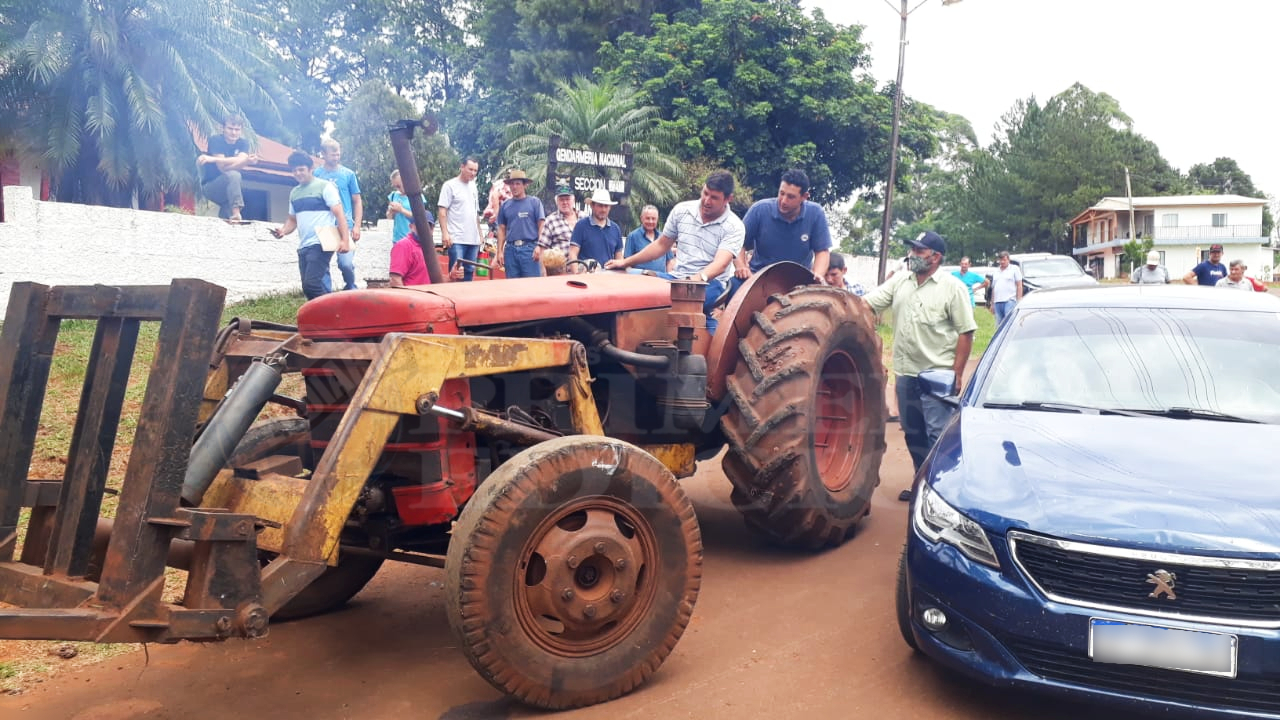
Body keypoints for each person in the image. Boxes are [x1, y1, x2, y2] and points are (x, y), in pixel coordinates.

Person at [863, 231, 976, 500]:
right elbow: (867, 303)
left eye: (919, 251)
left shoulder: (953, 288)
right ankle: (921, 483)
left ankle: (943, 493)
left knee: (938, 435)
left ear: (935, 257)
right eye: (912, 250)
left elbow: (966, 332)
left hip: (937, 376)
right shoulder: (901, 281)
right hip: (906, 374)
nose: (912, 255)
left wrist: (956, 374)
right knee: (913, 433)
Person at [606, 170, 744, 334]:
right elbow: (661, 245)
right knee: (630, 279)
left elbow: (720, 264)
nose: (706, 200)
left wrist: (696, 279)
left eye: (714, 197)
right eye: (705, 193)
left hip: (711, 284)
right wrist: (625, 262)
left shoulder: (734, 226)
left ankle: (712, 342)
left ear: (728, 199)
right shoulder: (682, 210)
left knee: (685, 299)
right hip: (676, 278)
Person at [270, 151, 350, 301]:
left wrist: (345, 240)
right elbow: (292, 220)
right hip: (304, 245)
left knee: (311, 285)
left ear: (310, 168)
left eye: (301, 169)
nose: (298, 173)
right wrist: (282, 231)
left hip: (322, 241)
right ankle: (321, 320)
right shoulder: (294, 193)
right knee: (309, 288)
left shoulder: (325, 187)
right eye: (294, 170)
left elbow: (339, 214)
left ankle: (333, 314)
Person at [734, 169, 831, 289]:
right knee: (732, 288)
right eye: (781, 193)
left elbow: (822, 251)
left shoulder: (816, 213)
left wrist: (818, 275)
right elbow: (737, 243)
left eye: (791, 197)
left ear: (804, 197)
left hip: (799, 284)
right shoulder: (759, 209)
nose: (784, 201)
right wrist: (741, 267)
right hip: (757, 279)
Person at [313, 139, 362, 291]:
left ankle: (350, 286)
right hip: (324, 225)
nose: (336, 157)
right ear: (323, 154)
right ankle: (326, 295)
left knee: (345, 263)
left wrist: (357, 225)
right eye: (332, 155)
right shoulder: (316, 174)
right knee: (322, 265)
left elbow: (357, 201)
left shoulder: (348, 174)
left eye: (338, 154)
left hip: (344, 224)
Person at [196, 114, 258, 222]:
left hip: (229, 191)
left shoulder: (243, 143)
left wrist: (213, 159)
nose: (233, 133)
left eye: (237, 130)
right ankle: (237, 212)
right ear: (223, 128)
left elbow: (239, 162)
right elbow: (223, 169)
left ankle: (232, 218)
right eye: (230, 128)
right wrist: (244, 161)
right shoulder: (216, 140)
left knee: (228, 222)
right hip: (211, 186)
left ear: (241, 130)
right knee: (234, 175)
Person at [438, 158, 483, 281]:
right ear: (462, 167)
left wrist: (480, 235)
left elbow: (476, 213)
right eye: (470, 169)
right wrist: (445, 233)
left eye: (475, 170)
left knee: (469, 272)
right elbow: (442, 211)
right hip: (457, 238)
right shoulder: (449, 185)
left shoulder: (474, 187)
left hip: (473, 240)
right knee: (456, 272)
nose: (473, 173)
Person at [495, 169, 545, 279]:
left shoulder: (534, 202)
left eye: (518, 183)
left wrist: (539, 246)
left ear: (525, 185)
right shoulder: (505, 205)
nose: (514, 187)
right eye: (512, 184)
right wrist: (499, 251)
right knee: (513, 287)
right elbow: (501, 229)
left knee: (531, 285)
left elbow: (541, 225)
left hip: (530, 249)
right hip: (510, 250)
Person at [569, 189, 625, 270]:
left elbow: (619, 257)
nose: (603, 209)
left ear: (610, 208)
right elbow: (573, 253)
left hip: (609, 277)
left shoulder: (615, 229)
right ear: (592, 205)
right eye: (600, 205)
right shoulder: (581, 226)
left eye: (606, 206)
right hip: (586, 277)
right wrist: (577, 275)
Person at [389, 230, 461, 287]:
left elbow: (437, 282)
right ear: (411, 226)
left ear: (432, 229)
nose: (425, 229)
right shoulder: (404, 246)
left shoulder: (429, 249)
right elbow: (395, 279)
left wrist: (451, 276)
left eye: (429, 226)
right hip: (412, 300)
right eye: (419, 225)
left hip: (427, 300)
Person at [624, 205, 673, 274]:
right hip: (640, 280)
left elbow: (669, 261)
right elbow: (627, 264)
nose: (650, 221)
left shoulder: (663, 237)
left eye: (653, 219)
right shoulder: (633, 237)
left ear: (657, 219)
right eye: (647, 218)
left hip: (660, 280)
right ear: (641, 218)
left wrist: (668, 277)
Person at [386, 169, 433, 243]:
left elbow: (421, 218)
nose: (398, 189)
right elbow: (389, 217)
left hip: (413, 239)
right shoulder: (393, 195)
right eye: (395, 187)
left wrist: (401, 210)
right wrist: (391, 211)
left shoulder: (417, 196)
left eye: (399, 186)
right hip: (397, 239)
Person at [538, 185, 579, 264]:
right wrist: (544, 274)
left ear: (573, 200)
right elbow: (542, 250)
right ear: (556, 202)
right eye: (561, 200)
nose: (565, 202)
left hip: (584, 268)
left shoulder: (584, 217)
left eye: (567, 199)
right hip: (560, 269)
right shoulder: (550, 220)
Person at [990, 251, 1023, 325]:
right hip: (997, 301)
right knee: (999, 324)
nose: (1002, 262)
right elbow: (994, 288)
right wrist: (992, 303)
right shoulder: (996, 271)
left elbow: (1019, 285)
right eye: (1001, 260)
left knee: (1008, 322)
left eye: (1004, 260)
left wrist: (1019, 300)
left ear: (1008, 260)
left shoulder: (1014, 269)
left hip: (1009, 300)